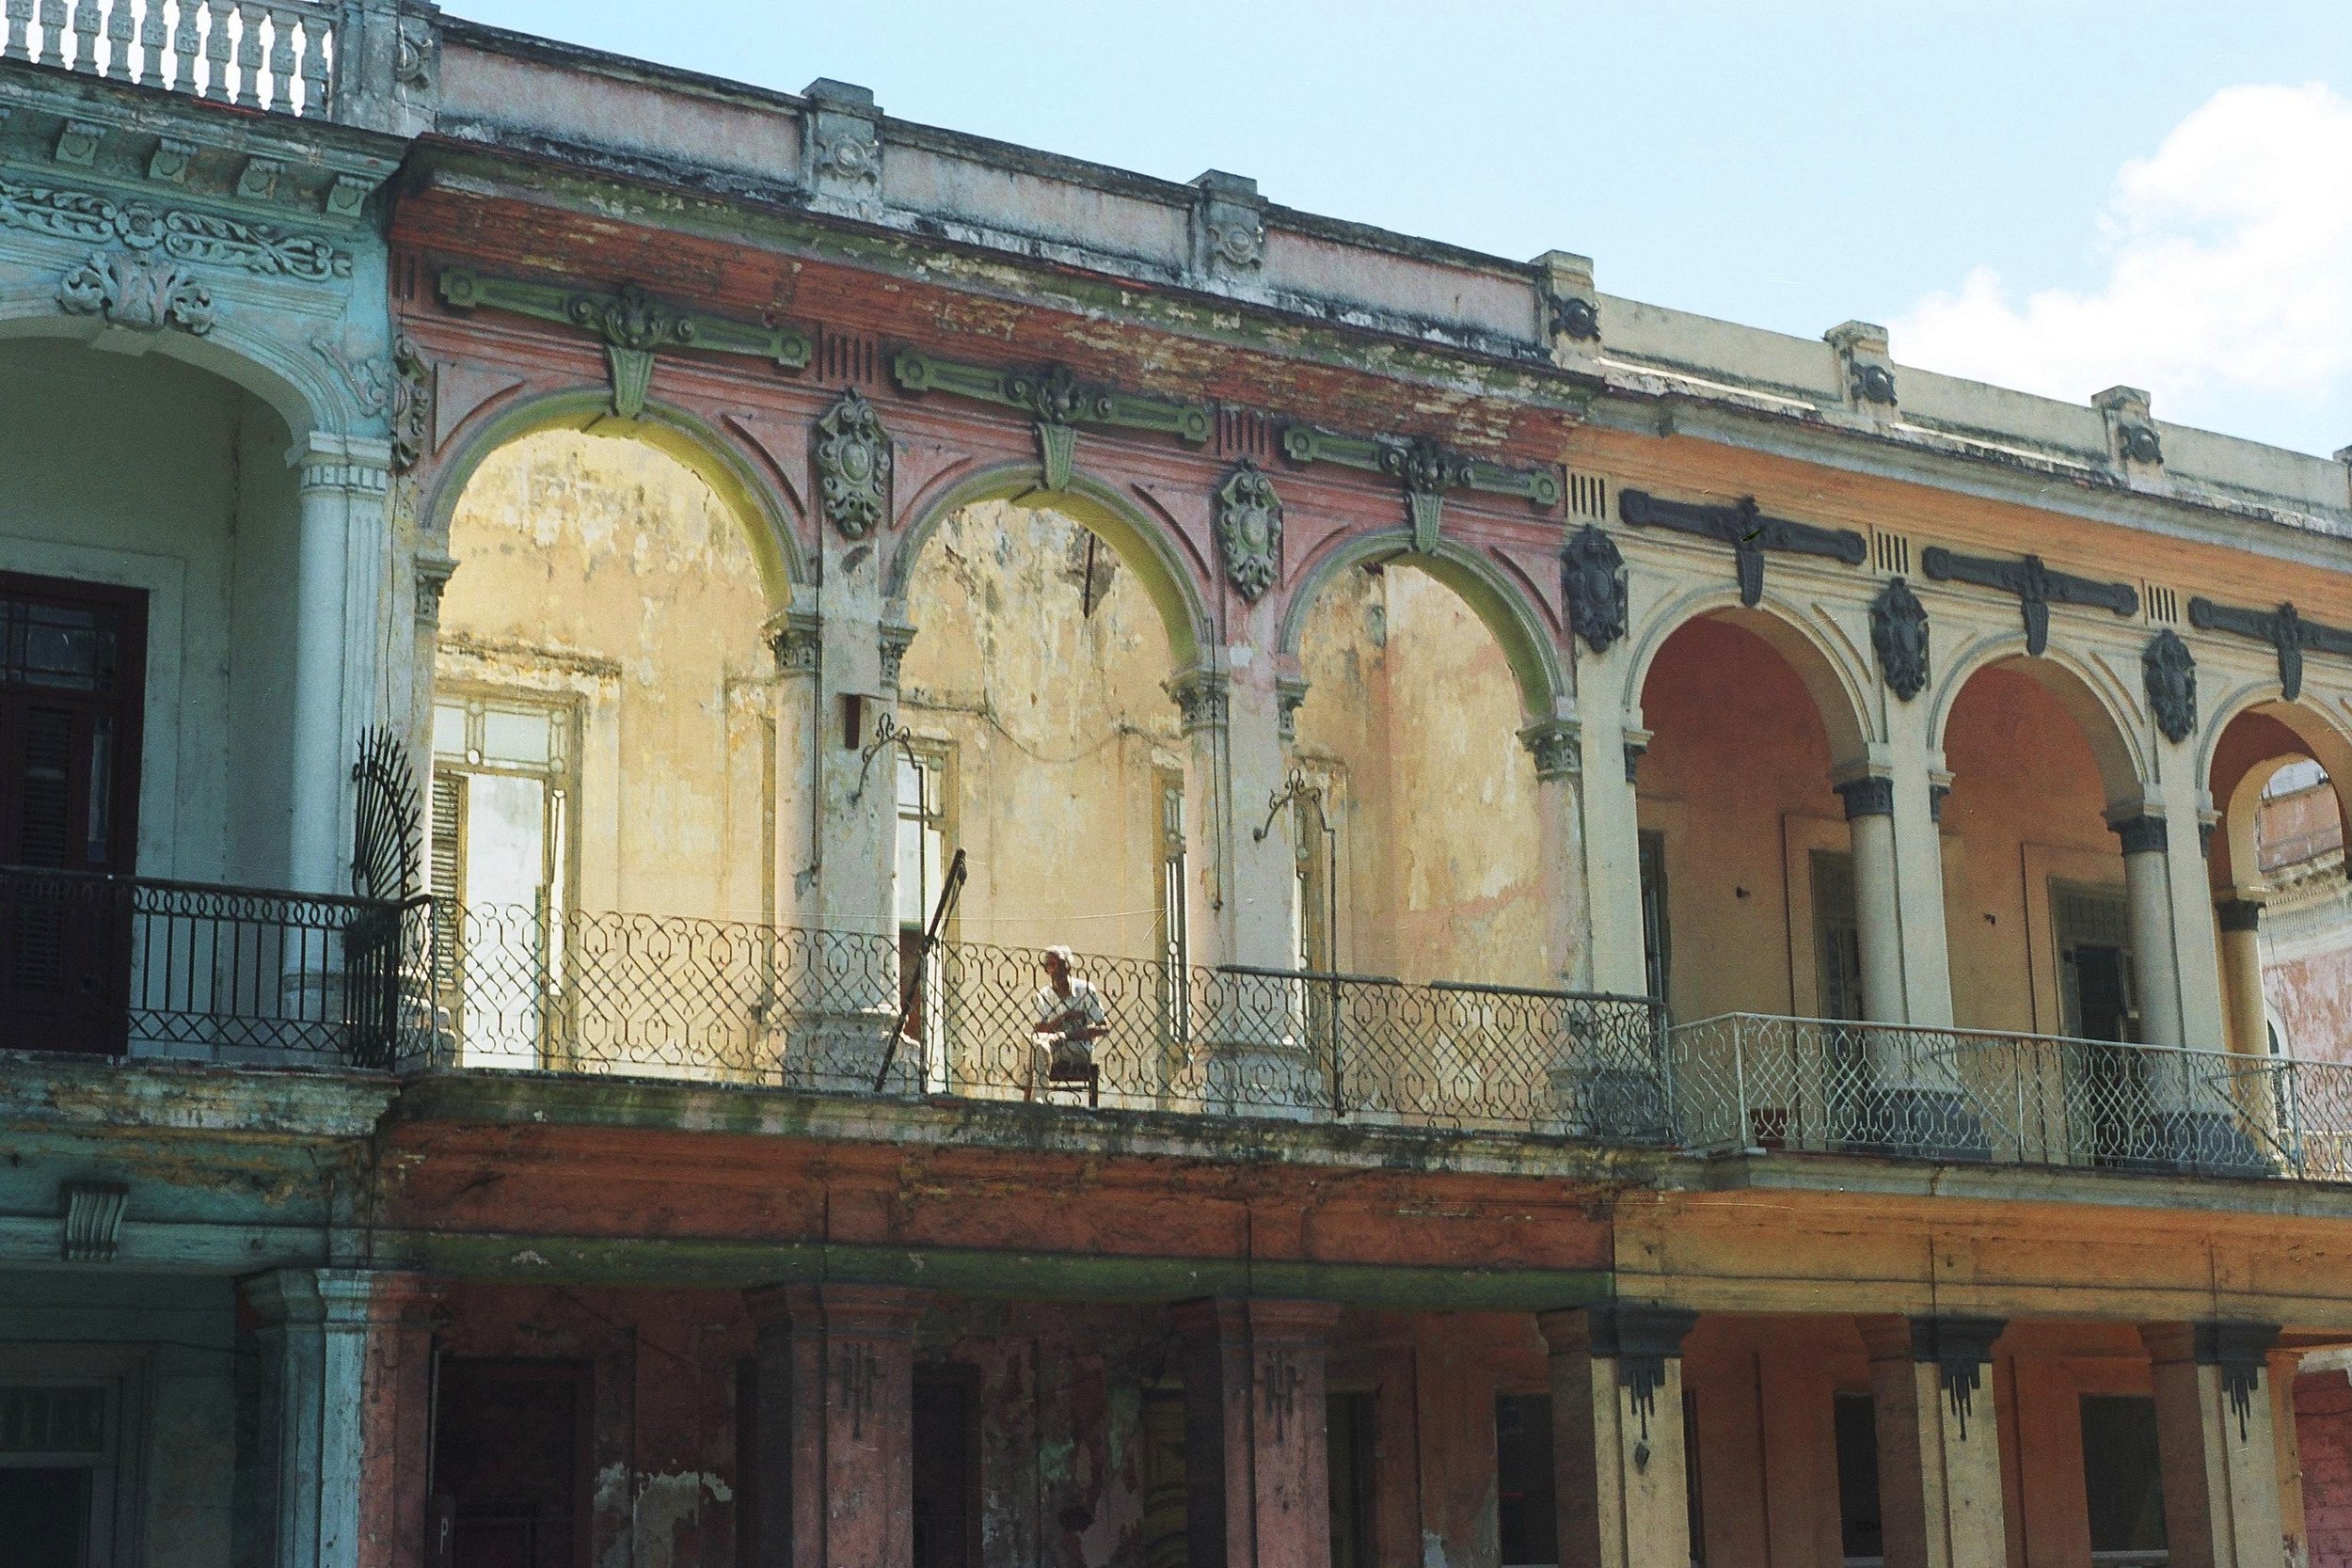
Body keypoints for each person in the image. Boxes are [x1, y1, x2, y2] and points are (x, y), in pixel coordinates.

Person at [1029, 944, 1106, 1096]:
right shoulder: (1044, 995)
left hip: (1078, 1049)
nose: (1057, 969)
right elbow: (1039, 1028)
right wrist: (1065, 1017)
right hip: (1051, 1049)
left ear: (1069, 966)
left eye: (1061, 963)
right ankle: (1037, 1100)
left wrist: (1067, 1035)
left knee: (1036, 1049)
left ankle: (1033, 1101)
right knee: (1038, 1045)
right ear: (1047, 970)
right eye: (1051, 964)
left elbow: (1103, 1028)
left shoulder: (1085, 990)